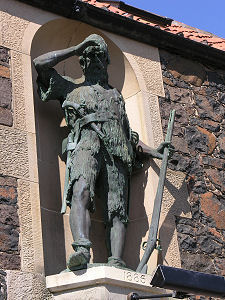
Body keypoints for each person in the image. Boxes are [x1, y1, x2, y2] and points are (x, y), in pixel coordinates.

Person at [33, 34, 169, 270]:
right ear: (82, 63)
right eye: (89, 56)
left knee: (117, 207)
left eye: (99, 56)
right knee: (81, 190)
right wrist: (76, 48)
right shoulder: (70, 88)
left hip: (117, 151)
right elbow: (40, 64)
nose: (94, 60)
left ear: (106, 62)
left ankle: (116, 260)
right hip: (86, 144)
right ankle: (82, 250)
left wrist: (152, 150)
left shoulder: (117, 96)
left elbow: (128, 135)